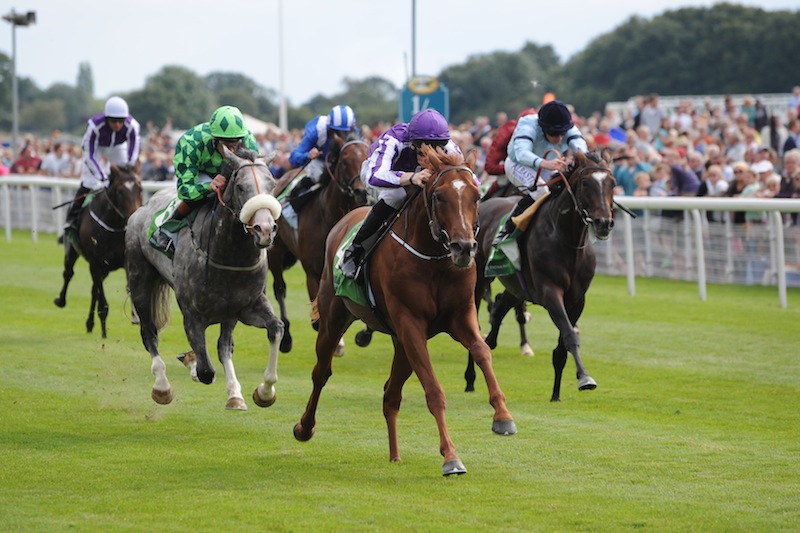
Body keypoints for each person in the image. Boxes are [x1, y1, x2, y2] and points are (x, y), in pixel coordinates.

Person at [340, 108, 468, 279]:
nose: (430, 156)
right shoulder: (393, 139)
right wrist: (411, 177)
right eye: (424, 151)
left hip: (416, 175)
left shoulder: (449, 146)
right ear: (413, 144)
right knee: (396, 196)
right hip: (381, 173)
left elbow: (469, 179)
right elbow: (374, 176)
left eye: (437, 150)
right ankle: (354, 251)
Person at [149, 105, 260, 256]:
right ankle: (166, 230)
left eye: (236, 145)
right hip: (200, 174)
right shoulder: (190, 142)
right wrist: (208, 186)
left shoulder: (249, 141)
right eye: (227, 146)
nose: (232, 151)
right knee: (204, 196)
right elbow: (185, 191)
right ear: (215, 139)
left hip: (230, 173)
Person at [494, 99, 588, 243]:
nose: (559, 138)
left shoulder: (568, 125)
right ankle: (507, 229)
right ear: (543, 128)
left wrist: (579, 159)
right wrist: (545, 163)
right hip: (517, 164)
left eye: (562, 134)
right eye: (554, 134)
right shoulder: (527, 124)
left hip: (548, 165)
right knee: (541, 192)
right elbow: (522, 154)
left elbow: (582, 150)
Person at [62, 96, 141, 238]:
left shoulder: (133, 126)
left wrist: (128, 172)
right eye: (113, 121)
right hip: (96, 148)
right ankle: (72, 220)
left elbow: (133, 154)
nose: (117, 125)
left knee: (128, 183)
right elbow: (89, 156)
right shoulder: (94, 126)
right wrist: (102, 177)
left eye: (120, 121)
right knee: (88, 182)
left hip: (118, 147)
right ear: (106, 119)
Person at [288, 105, 358, 186]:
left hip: (342, 164)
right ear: (329, 128)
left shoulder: (356, 134)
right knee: (317, 176)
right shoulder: (317, 132)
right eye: (337, 132)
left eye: (346, 133)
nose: (342, 137)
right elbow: (293, 157)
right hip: (320, 163)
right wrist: (308, 155)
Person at [481, 108, 536, 198]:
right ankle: (483, 200)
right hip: (509, 169)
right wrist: (510, 168)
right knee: (503, 181)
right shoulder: (505, 134)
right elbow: (489, 167)